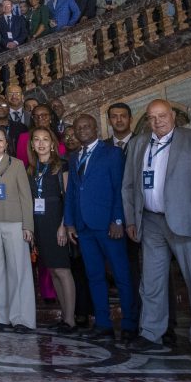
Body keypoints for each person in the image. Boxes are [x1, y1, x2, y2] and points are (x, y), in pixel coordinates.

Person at [123, 100, 191, 359]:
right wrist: (132, 220)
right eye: (152, 117)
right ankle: (150, 333)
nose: (158, 121)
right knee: (152, 282)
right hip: (151, 221)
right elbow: (130, 186)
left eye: (162, 115)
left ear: (173, 116)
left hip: (188, 221)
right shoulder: (137, 144)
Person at [65, 114, 137, 341]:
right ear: (74, 132)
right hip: (84, 227)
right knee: (94, 275)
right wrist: (69, 222)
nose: (83, 130)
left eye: (87, 126)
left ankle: (129, 324)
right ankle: (103, 324)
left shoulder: (112, 153)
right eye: (78, 128)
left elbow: (120, 189)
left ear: (96, 128)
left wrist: (117, 220)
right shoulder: (74, 157)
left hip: (108, 225)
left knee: (122, 275)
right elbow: (72, 193)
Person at [0, 126, 36, 332]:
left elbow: (26, 197)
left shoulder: (17, 165)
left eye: (0, 140)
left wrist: (28, 225)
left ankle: (22, 318)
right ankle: (2, 316)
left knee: (18, 271)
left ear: (6, 143)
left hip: (15, 223)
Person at [26, 128, 76, 334]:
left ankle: (71, 320)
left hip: (57, 224)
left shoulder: (61, 166)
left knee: (63, 271)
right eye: (36, 140)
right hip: (40, 225)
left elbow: (69, 198)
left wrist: (64, 225)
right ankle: (64, 317)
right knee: (53, 271)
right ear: (32, 145)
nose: (41, 143)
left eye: (45, 139)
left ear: (53, 144)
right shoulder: (31, 169)